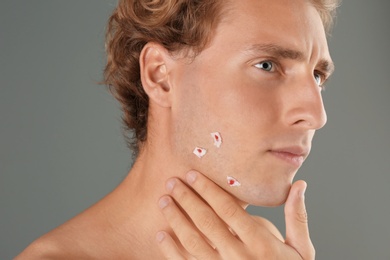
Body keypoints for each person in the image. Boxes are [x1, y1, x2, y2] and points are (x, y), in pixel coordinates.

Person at [17, 0, 339, 258]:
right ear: (161, 76)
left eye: (317, 76)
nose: (315, 114)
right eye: (267, 65)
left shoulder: (261, 250)